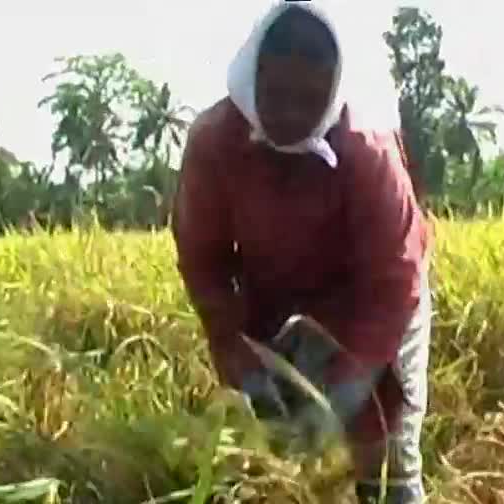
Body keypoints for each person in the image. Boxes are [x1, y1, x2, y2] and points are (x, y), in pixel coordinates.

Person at [171, 1, 432, 503]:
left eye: (308, 98)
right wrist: (233, 349)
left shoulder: (368, 151)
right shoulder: (213, 143)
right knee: (278, 451)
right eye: (277, 94)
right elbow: (203, 262)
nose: (290, 113)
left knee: (386, 462)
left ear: (333, 91)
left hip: (376, 306)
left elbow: (394, 285)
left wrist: (348, 388)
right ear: (254, 76)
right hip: (276, 303)